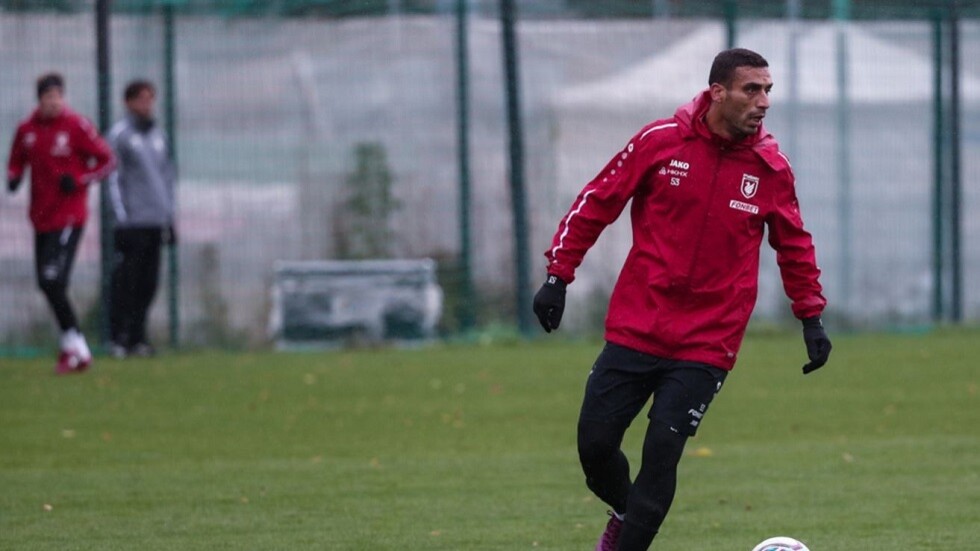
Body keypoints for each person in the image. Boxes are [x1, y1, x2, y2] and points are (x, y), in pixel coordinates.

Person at [532, 49, 832, 551]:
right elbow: (598, 200)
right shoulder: (661, 142)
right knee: (595, 445)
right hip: (637, 325)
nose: (763, 102)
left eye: (768, 90)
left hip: (708, 341)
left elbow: (795, 244)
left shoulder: (770, 168)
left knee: (662, 450)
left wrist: (811, 317)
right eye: (751, 90)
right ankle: (628, 515)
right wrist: (559, 276)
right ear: (718, 92)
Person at [7, 72, 116, 375]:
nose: (53, 102)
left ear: (62, 97)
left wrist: (80, 180)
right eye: (47, 97)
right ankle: (72, 347)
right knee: (48, 283)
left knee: (52, 280)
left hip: (70, 216)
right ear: (39, 99)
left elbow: (107, 161)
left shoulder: (76, 126)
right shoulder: (26, 130)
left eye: (57, 96)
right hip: (41, 217)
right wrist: (14, 176)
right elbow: (16, 158)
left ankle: (78, 349)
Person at [106, 80, 177, 358]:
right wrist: (121, 217)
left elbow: (167, 179)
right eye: (141, 99)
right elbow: (113, 178)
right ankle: (118, 338)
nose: (147, 105)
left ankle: (138, 338)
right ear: (128, 102)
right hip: (131, 222)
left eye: (151, 99)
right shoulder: (120, 135)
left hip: (155, 221)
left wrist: (169, 218)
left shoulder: (159, 136)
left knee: (149, 284)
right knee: (126, 282)